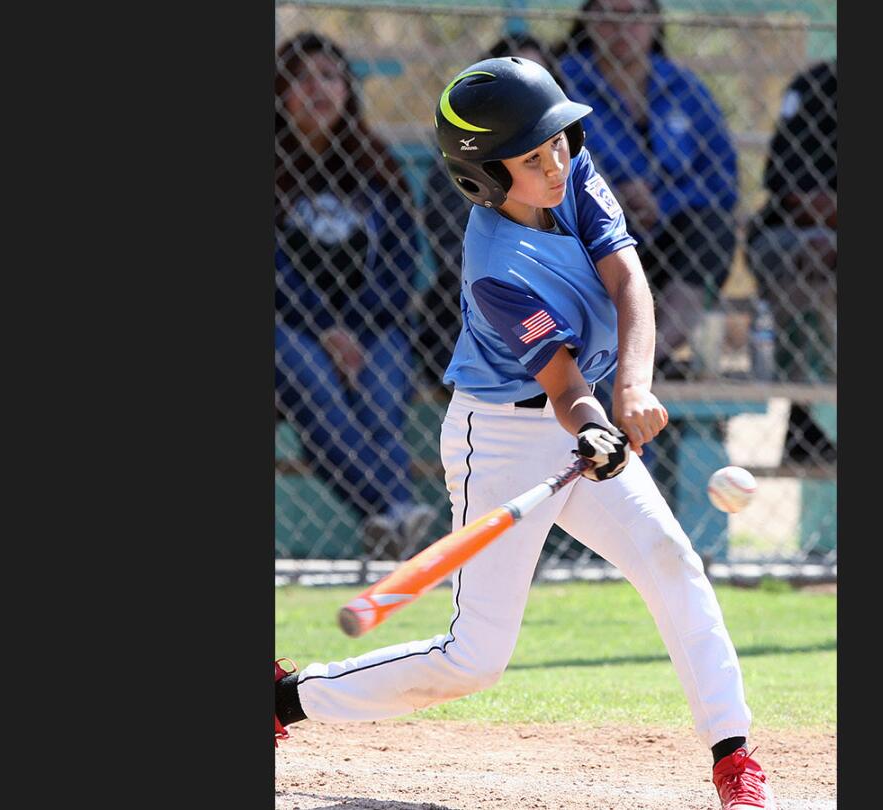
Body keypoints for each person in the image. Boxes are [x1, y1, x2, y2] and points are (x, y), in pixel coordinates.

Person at [275, 57, 773, 809]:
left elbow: (628, 279)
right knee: (474, 660)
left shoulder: (572, 175)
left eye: (558, 143)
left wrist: (632, 389)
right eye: (532, 156)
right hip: (501, 440)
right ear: (484, 178)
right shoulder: (495, 268)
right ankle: (284, 700)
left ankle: (733, 755)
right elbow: (565, 383)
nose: (556, 161)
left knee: (672, 559)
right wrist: (599, 422)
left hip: (589, 429)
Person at [274, 31, 438, 559]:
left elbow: (399, 265)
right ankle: (394, 510)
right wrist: (327, 329)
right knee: (315, 389)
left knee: (380, 404)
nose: (315, 88)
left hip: (372, 326)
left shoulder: (376, 164)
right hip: (291, 324)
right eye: (299, 77)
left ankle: (390, 523)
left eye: (328, 75)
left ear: (347, 89)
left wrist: (356, 331)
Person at [555, 0, 739, 378]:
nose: (622, 29)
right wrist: (611, 198)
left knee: (713, 228)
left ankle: (639, 361)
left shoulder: (684, 88)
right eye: (608, 15)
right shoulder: (562, 83)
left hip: (669, 242)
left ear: (655, 20)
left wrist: (665, 203)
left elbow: (722, 179)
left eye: (634, 15)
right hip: (593, 239)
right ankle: (599, 355)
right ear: (587, 19)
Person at [415, 32, 570, 389]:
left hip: (562, 310)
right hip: (480, 310)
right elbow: (459, 256)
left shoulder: (571, 160)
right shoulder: (460, 164)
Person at [745, 60, 837, 464]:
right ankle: (804, 419)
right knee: (811, 260)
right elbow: (797, 197)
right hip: (796, 234)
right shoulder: (820, 85)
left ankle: (806, 422)